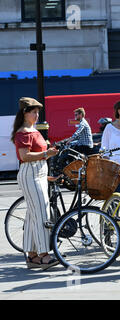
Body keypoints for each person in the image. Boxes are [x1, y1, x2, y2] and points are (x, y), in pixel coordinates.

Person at [11, 97, 59, 270]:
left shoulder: (32, 130)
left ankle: (32, 256)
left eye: (37, 111)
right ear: (25, 113)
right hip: (31, 174)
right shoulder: (23, 132)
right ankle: (44, 255)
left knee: (33, 215)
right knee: (41, 213)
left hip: (37, 174)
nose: (37, 115)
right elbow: (25, 157)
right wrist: (47, 153)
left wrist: (46, 177)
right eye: (33, 112)